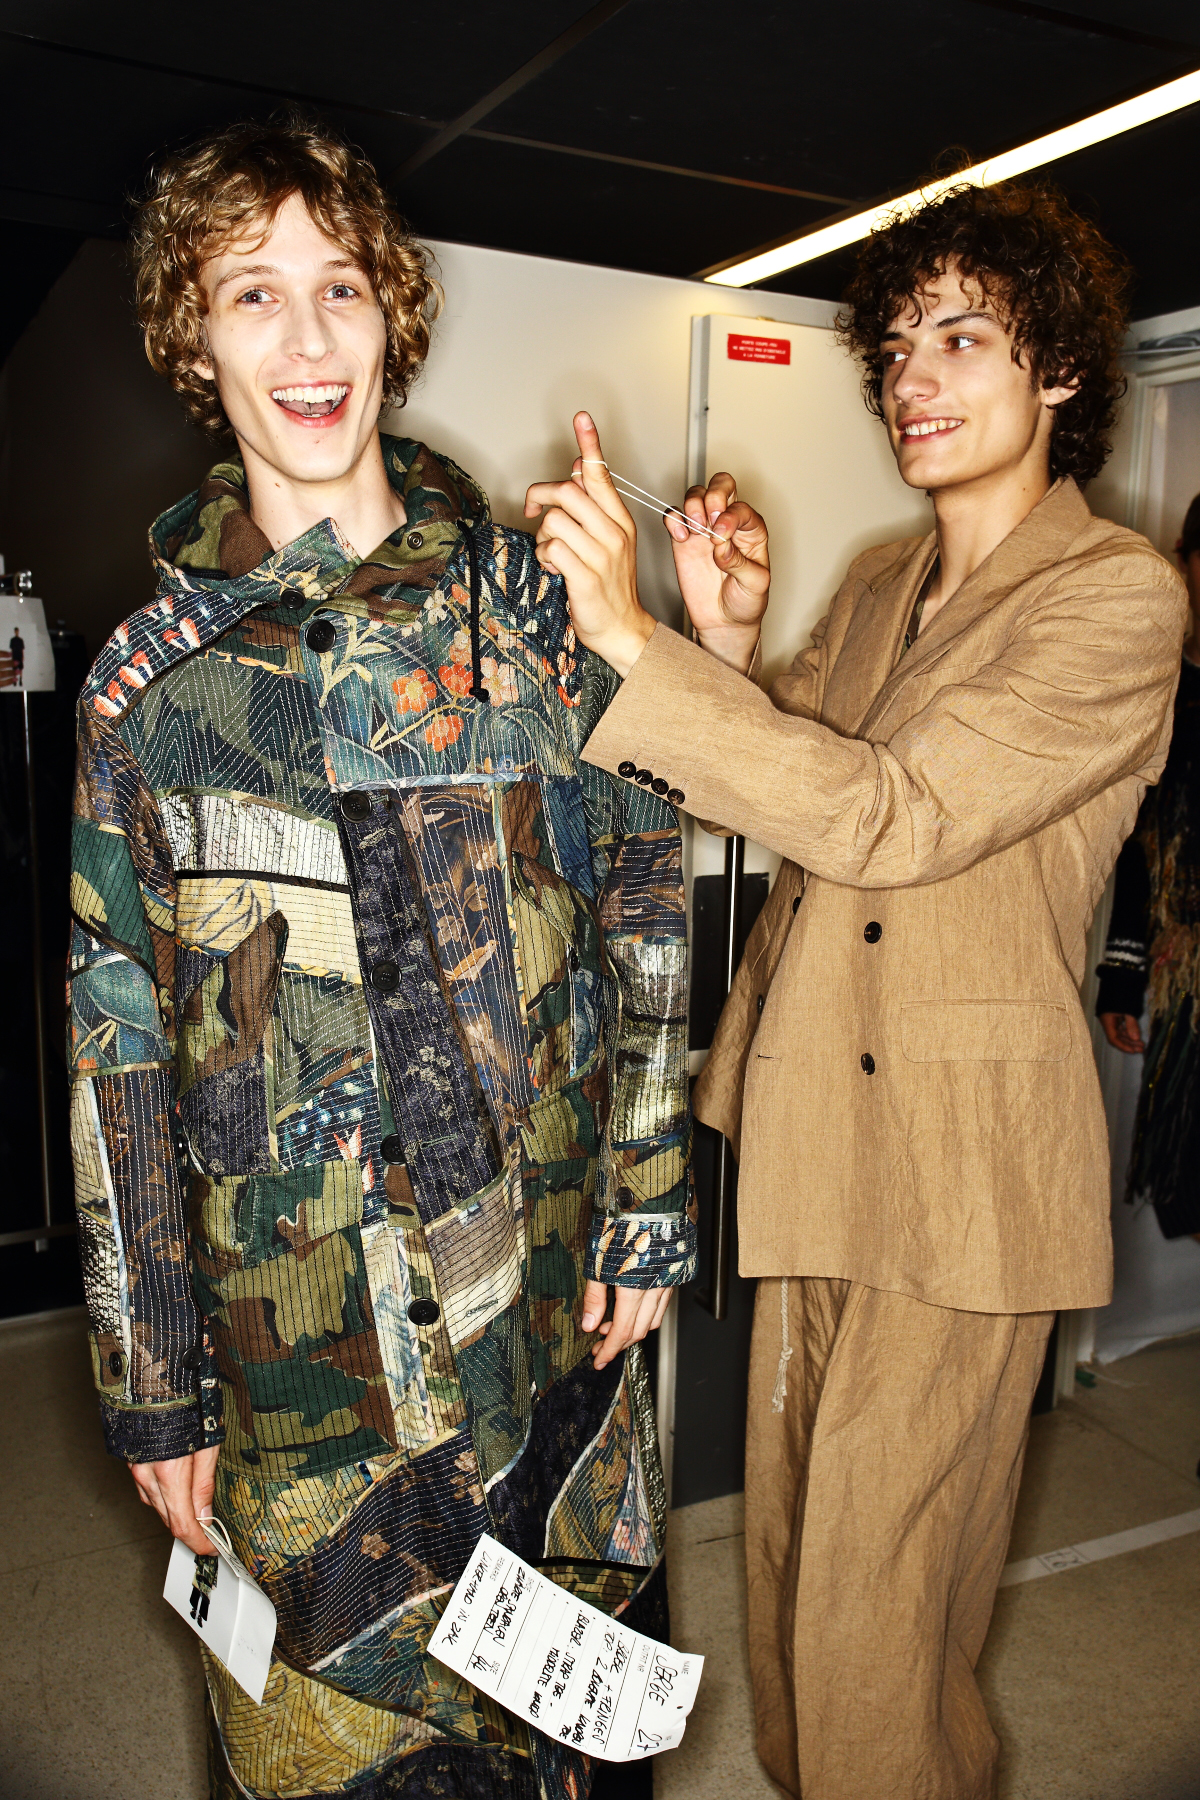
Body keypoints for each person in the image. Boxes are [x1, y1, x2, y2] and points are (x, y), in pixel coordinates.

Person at [524, 180, 1187, 1799]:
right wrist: (728, 637)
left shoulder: (1117, 600)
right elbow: (770, 776)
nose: (914, 378)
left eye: (962, 338)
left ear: (1058, 376)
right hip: (817, 1123)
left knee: (884, 1618)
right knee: (797, 1585)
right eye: (896, 347)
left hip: (969, 1173)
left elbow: (892, 816)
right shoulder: (888, 579)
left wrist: (626, 637)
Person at [67, 115, 693, 1800]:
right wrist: (154, 1396)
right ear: (193, 340)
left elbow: (642, 886)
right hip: (310, 1380)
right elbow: (116, 1042)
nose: (310, 336)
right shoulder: (150, 691)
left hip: (560, 1318)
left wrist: (648, 1202)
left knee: (579, 1750)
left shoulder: (536, 612)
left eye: (340, 286)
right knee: (344, 1767)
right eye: (252, 293)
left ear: (392, 316)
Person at [1096, 491, 1200, 1241]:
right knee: (1186, 1185)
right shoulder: (1162, 684)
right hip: (1183, 978)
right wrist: (1122, 977)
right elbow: (1136, 840)